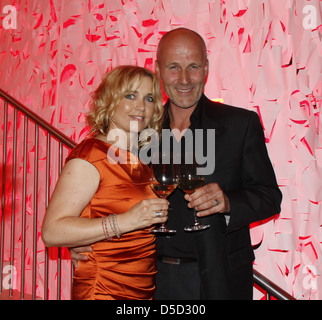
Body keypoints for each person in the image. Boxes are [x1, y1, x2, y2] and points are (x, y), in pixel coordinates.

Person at [71, 28, 282, 300]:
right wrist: (86, 240)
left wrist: (228, 202)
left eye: (193, 66)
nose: (184, 79)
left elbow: (269, 197)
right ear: (158, 68)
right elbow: (110, 194)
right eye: (174, 67)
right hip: (146, 277)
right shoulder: (136, 129)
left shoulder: (240, 124)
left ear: (206, 68)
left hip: (219, 279)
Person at [41, 65, 169, 300]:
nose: (141, 106)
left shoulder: (137, 162)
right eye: (130, 95)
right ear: (109, 101)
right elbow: (52, 231)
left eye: (149, 98)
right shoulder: (92, 154)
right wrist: (124, 222)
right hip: (104, 290)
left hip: (140, 291)